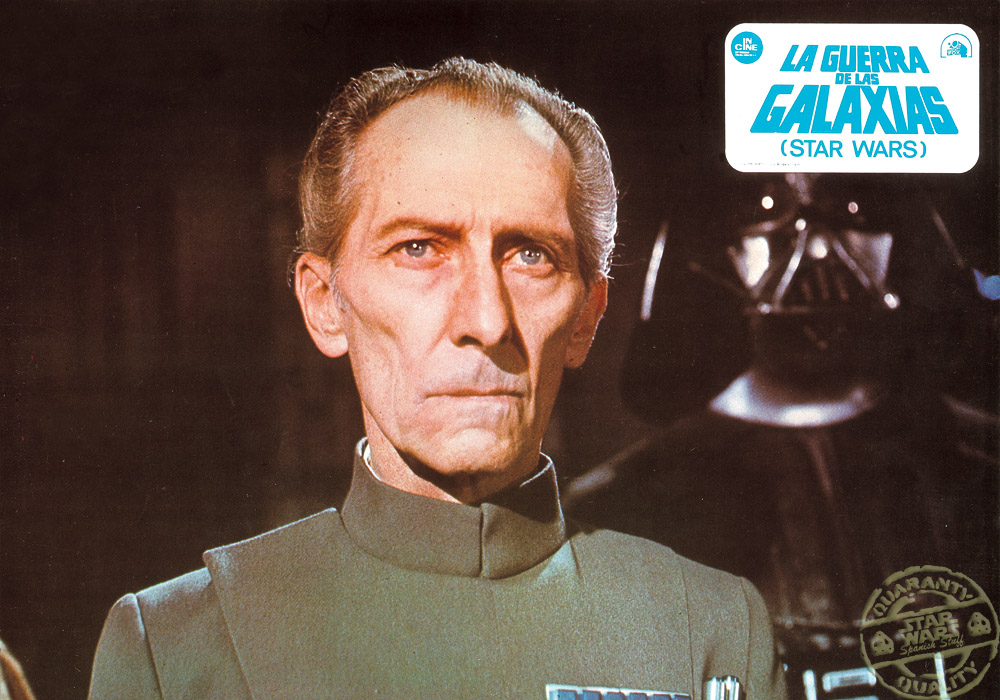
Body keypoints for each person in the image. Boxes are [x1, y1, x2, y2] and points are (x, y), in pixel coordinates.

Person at [88, 57, 786, 700]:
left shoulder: (709, 631)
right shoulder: (178, 646)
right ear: (325, 304)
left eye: (531, 255)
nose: (486, 320)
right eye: (419, 248)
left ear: (586, 319)